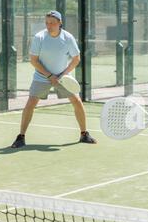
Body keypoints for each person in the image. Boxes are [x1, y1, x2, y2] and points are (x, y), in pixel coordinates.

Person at [11, 10, 97, 148]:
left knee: (76, 101)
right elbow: (34, 60)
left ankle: (84, 134)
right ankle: (21, 137)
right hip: (42, 76)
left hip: (62, 77)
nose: (49, 25)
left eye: (52, 23)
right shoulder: (39, 37)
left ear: (59, 23)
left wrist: (63, 75)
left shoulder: (68, 38)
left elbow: (76, 59)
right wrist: (50, 76)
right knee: (31, 103)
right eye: (47, 23)